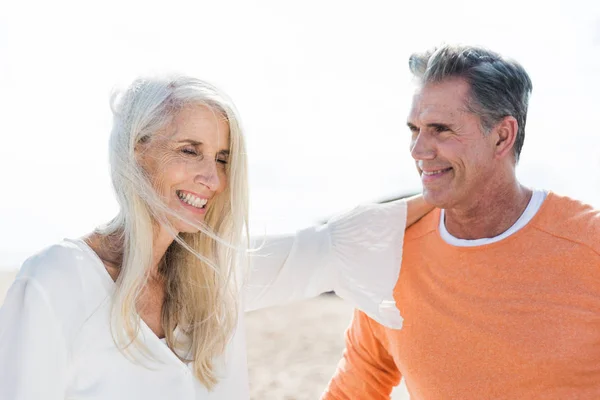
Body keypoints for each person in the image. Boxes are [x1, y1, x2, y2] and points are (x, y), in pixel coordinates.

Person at [0, 75, 432, 399]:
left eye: (222, 158)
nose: (212, 178)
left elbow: (328, 246)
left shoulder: (220, 276)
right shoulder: (55, 282)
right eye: (190, 151)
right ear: (137, 150)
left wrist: (446, 190)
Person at [323, 45, 600, 399]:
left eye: (440, 129)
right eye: (415, 129)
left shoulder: (590, 246)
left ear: (502, 136)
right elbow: (354, 389)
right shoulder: (393, 257)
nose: (418, 150)